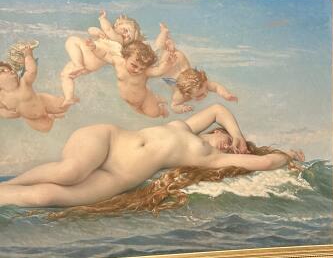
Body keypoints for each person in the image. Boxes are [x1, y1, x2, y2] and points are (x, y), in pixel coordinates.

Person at [0, 103, 304, 210]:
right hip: (107, 141)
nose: (229, 148)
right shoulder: (186, 127)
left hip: (118, 178)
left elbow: (265, 162)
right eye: (228, 142)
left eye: (234, 151)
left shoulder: (210, 157)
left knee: (46, 197)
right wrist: (237, 134)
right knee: (69, 172)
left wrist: (287, 154)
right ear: (217, 131)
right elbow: (216, 109)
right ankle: (10, 182)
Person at [60, 11, 142, 104]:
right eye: (126, 30)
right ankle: (69, 97)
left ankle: (78, 65)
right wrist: (97, 32)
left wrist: (102, 19)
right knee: (65, 75)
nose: (125, 35)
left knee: (72, 40)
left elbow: (108, 29)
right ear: (117, 25)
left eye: (129, 37)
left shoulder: (118, 40)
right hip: (90, 65)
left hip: (90, 55)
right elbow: (90, 30)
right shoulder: (108, 37)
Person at [87, 38, 174, 117]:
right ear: (125, 57)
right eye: (134, 65)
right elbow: (104, 55)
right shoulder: (119, 62)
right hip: (131, 102)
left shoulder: (145, 72)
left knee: (153, 114)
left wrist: (167, 64)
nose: (137, 70)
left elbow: (158, 71)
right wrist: (94, 48)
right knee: (140, 113)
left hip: (144, 100)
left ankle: (161, 108)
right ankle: (156, 98)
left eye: (142, 68)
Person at [0, 46, 68, 132]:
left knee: (62, 106)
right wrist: (5, 114)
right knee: (45, 128)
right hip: (31, 118)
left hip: (43, 102)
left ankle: (67, 96)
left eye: (9, 69)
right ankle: (52, 116)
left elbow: (31, 71)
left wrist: (28, 55)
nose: (10, 71)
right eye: (2, 71)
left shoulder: (23, 83)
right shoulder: (1, 97)